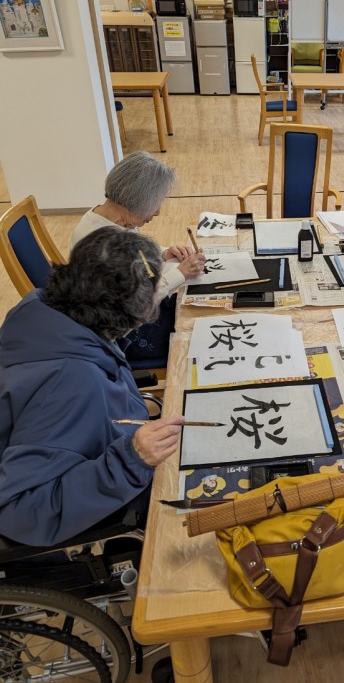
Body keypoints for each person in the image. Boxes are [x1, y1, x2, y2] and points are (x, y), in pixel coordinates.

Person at [0, 228, 183, 546]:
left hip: (105, 450)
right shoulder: (72, 382)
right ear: (135, 316)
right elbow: (22, 510)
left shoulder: (44, 311)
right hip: (99, 488)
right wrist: (132, 460)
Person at [71, 152, 205, 361]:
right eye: (155, 204)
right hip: (122, 336)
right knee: (196, 337)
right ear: (136, 201)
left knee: (194, 306)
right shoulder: (103, 245)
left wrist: (163, 253)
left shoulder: (104, 217)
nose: (158, 212)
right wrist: (180, 273)